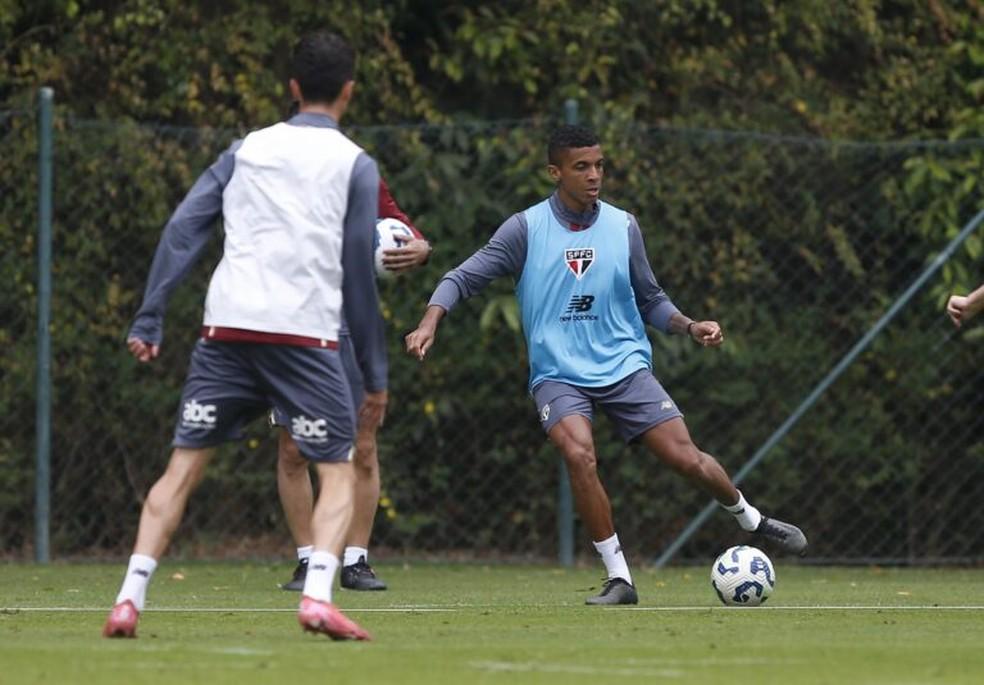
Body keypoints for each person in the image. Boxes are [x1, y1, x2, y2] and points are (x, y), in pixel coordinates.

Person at [405, 124, 808, 606]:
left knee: (688, 460)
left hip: (623, 365)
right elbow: (461, 277)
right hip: (557, 373)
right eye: (581, 167)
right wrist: (430, 322)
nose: (594, 175)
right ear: (555, 172)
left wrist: (688, 324)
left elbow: (651, 298)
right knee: (579, 454)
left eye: (598, 165)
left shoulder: (623, 225)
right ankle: (620, 578)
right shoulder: (526, 228)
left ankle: (751, 521)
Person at [103, 30, 383, 640]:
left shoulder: (246, 149)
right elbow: (359, 276)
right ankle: (316, 595)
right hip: (303, 338)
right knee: (336, 471)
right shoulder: (355, 163)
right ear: (348, 91)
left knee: (182, 468)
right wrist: (375, 373)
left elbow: (183, 229)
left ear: (291, 89)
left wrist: (150, 315)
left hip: (225, 328)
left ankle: (129, 598)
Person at [277, 179, 431, 593]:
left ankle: (355, 562)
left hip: (352, 324)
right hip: (292, 322)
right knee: (294, 449)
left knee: (363, 445)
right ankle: (308, 561)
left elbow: (402, 226)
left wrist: (420, 247)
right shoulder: (274, 168)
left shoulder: (356, 171)